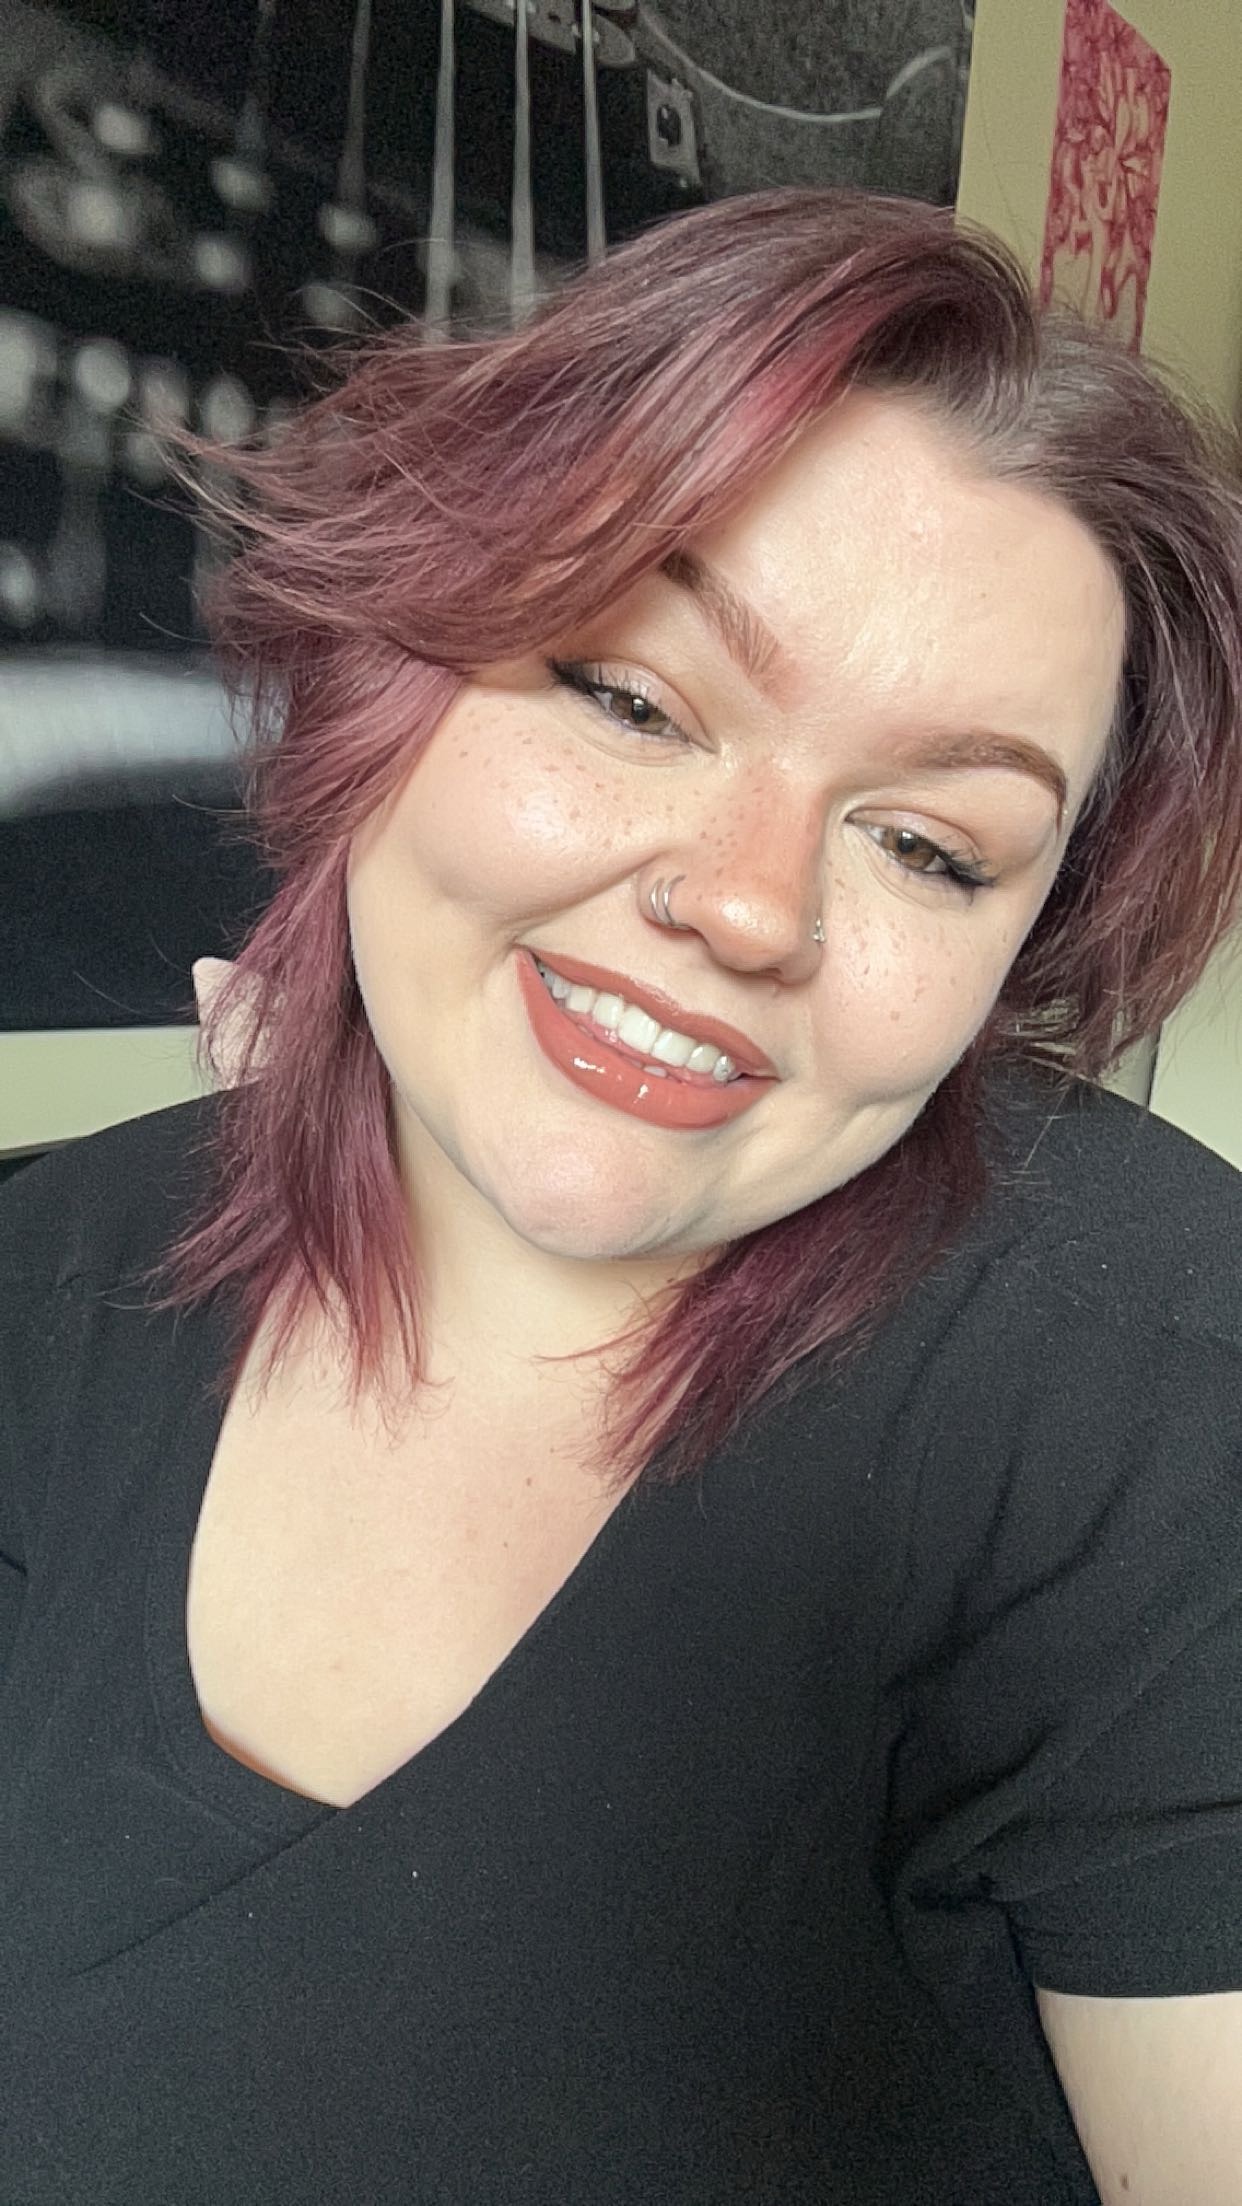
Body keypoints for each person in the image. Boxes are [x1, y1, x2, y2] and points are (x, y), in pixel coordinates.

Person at [2, 187, 1241, 2206]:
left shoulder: (1151, 1398)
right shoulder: (41, 1290)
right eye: (633, 697)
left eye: (930, 844)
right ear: (395, 675)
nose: (748, 902)